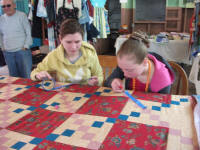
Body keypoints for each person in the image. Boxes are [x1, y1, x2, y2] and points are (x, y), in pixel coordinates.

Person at [31, 19, 103, 86]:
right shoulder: (54, 56)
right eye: (68, 42)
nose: (73, 47)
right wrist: (38, 75)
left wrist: (97, 81)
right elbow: (34, 73)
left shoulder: (89, 53)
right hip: (63, 95)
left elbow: (99, 75)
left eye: (77, 42)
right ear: (60, 39)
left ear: (82, 38)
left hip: (87, 94)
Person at [104, 32, 175, 94]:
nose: (125, 74)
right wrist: (113, 82)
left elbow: (162, 104)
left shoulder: (163, 79)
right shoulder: (126, 65)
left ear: (144, 62)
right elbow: (107, 82)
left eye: (129, 70)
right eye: (122, 69)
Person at [0, 0, 32, 78]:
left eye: (8, 5)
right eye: (3, 6)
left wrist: (26, 46)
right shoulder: (1, 19)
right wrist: (2, 46)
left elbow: (28, 32)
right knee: (14, 79)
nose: (6, 8)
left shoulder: (22, 16)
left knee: (26, 77)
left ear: (14, 5)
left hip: (22, 52)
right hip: (8, 53)